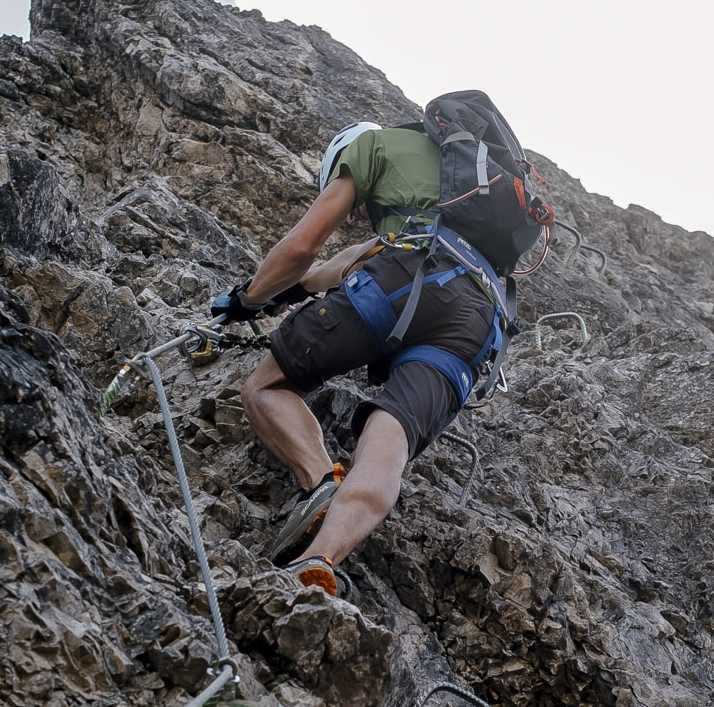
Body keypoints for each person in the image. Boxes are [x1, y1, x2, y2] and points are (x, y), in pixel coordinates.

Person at [213, 118, 504, 596]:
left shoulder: (371, 144)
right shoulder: (460, 190)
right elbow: (354, 257)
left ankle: (320, 481)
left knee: (265, 387)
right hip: (478, 323)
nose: (357, 216)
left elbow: (305, 245)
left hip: (408, 276)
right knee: (390, 440)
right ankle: (318, 560)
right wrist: (296, 289)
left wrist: (249, 297)